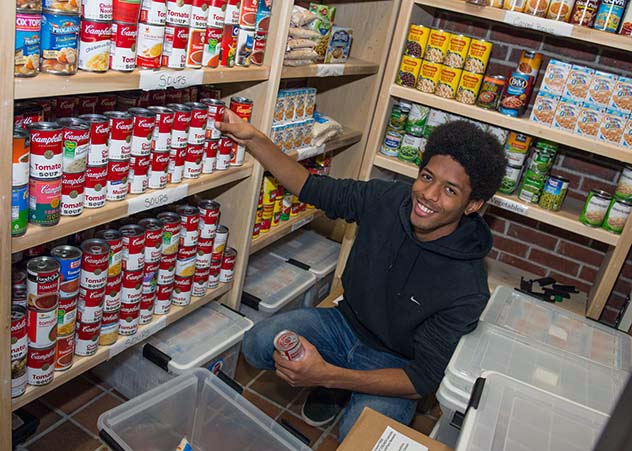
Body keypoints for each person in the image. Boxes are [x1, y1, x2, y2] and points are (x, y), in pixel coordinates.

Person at [216, 111, 507, 441]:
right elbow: (312, 187)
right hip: (344, 325)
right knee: (257, 344)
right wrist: (255, 139)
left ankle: (336, 383)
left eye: (450, 190)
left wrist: (326, 375)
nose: (428, 195)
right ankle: (337, 384)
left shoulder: (467, 287)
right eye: (427, 177)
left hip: (394, 364)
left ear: (473, 205)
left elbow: (421, 380)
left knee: (363, 439)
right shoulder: (386, 199)